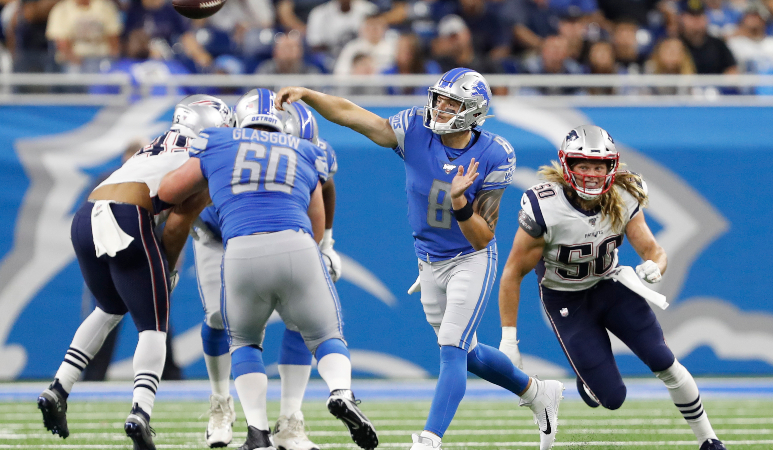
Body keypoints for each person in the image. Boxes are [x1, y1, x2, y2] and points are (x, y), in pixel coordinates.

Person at [275, 68, 564, 450]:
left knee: (451, 348)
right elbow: (353, 115)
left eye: (451, 103)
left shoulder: (495, 153)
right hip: (428, 259)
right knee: (469, 354)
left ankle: (429, 440)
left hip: (470, 258)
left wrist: (460, 203)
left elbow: (484, 236)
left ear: (473, 111)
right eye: (439, 98)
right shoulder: (414, 127)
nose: (440, 107)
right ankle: (537, 392)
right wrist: (308, 92)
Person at [158, 89, 377, 450]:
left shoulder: (223, 140)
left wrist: (328, 243)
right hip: (229, 233)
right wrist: (319, 247)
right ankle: (225, 403)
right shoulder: (300, 148)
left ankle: (277, 426)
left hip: (242, 244)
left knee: (248, 336)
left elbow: (169, 196)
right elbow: (319, 200)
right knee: (242, 319)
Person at [497, 125, 728, 450]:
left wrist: (654, 267)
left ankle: (710, 440)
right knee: (613, 398)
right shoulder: (545, 206)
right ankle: (587, 375)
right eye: (583, 165)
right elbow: (512, 272)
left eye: (599, 166)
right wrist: (509, 338)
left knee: (663, 360)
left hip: (610, 285)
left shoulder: (624, 194)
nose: (591, 174)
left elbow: (653, 250)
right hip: (566, 300)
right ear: (567, 165)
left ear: (611, 167)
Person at [36, 94, 232, 450]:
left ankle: (58, 389)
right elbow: (175, 227)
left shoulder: (159, 141)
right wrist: (168, 272)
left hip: (88, 214)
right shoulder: (204, 156)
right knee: (154, 324)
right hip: (128, 214)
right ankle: (140, 412)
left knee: (108, 308)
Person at [192, 96, 341, 449]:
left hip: (282, 234)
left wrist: (325, 245)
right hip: (218, 231)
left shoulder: (314, 151)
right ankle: (220, 403)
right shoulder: (225, 146)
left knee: (301, 320)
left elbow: (325, 187)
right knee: (218, 316)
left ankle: (290, 420)